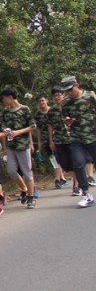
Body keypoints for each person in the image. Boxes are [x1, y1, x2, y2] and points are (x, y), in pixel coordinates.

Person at [59, 76, 96, 207]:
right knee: (78, 164)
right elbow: (64, 117)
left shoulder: (90, 97)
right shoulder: (66, 103)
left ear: (77, 85)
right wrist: (67, 120)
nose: (69, 92)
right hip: (76, 138)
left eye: (71, 89)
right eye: (67, 91)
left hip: (92, 135)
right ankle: (86, 193)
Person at [0, 87, 37, 208]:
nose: (3, 101)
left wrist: (18, 132)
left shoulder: (25, 109)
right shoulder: (5, 112)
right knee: (11, 170)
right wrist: (4, 145)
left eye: (4, 98)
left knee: (27, 171)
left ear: (10, 97)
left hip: (23, 145)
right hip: (11, 146)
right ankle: (24, 188)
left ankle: (31, 197)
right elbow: (2, 127)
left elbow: (32, 126)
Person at [47, 86, 77, 194]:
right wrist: (51, 140)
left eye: (58, 95)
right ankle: (67, 178)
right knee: (63, 163)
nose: (56, 97)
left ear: (63, 95)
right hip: (59, 139)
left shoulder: (70, 106)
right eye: (54, 95)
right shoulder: (52, 110)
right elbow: (50, 126)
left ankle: (76, 185)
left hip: (72, 138)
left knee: (74, 161)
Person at [34, 93, 67, 188]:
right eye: (39, 101)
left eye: (43, 100)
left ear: (47, 101)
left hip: (56, 138)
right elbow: (38, 129)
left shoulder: (52, 111)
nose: (41, 103)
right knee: (52, 158)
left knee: (57, 157)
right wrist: (39, 142)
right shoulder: (38, 114)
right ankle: (60, 178)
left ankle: (59, 178)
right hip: (45, 140)